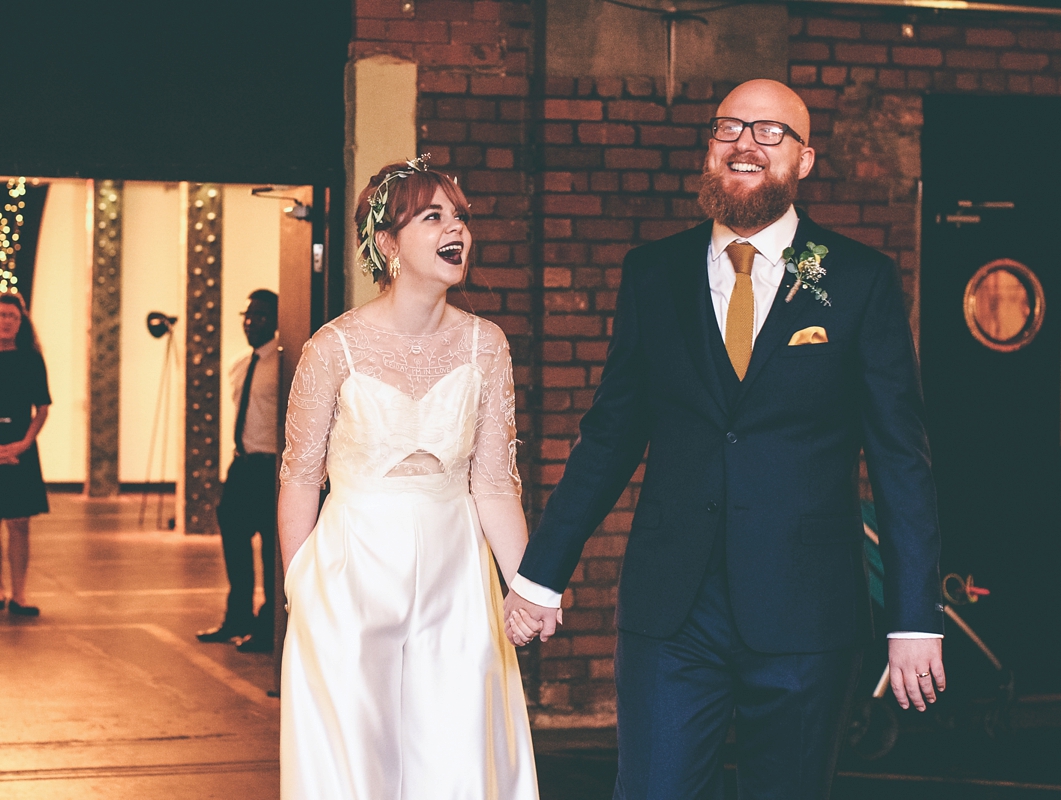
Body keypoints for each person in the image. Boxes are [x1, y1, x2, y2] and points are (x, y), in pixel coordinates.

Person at [505, 79, 946, 798]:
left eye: (772, 132)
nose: (746, 142)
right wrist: (541, 573)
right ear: (710, 149)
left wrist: (913, 617)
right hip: (672, 611)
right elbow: (610, 434)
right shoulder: (653, 274)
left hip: (807, 612)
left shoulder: (855, 279)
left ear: (805, 161)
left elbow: (901, 459)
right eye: (730, 128)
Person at [276, 157, 539, 798]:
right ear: (389, 243)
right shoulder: (331, 348)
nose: (458, 230)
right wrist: (299, 587)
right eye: (434, 216)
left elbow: (496, 483)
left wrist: (529, 586)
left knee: (456, 751)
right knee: (352, 758)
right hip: (351, 572)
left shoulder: (486, 344)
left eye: (460, 217)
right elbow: (300, 476)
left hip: (456, 575)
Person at [197, 289, 280, 654]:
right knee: (234, 542)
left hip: (270, 467)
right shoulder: (239, 365)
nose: (252, 322)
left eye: (261, 316)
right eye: (248, 315)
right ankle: (238, 617)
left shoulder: (283, 365)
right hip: (242, 465)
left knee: (270, 550)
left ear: (276, 320)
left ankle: (267, 625)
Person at [0, 291, 50, 617]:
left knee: (19, 524)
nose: (6, 322)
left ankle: (19, 596)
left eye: (12, 317)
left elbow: (42, 408)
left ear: (21, 322)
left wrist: (24, 443)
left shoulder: (31, 358)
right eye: (2, 315)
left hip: (20, 446)